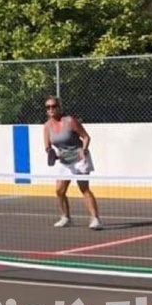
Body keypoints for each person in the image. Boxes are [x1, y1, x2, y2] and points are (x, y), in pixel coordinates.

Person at [42, 97, 102, 230]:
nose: (51, 109)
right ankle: (66, 218)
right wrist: (50, 153)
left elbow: (86, 137)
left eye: (54, 106)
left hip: (79, 158)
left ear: (59, 107)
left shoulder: (70, 121)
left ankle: (95, 219)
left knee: (84, 189)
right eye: (48, 107)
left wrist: (84, 150)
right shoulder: (47, 126)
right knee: (59, 191)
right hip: (65, 161)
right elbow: (47, 146)